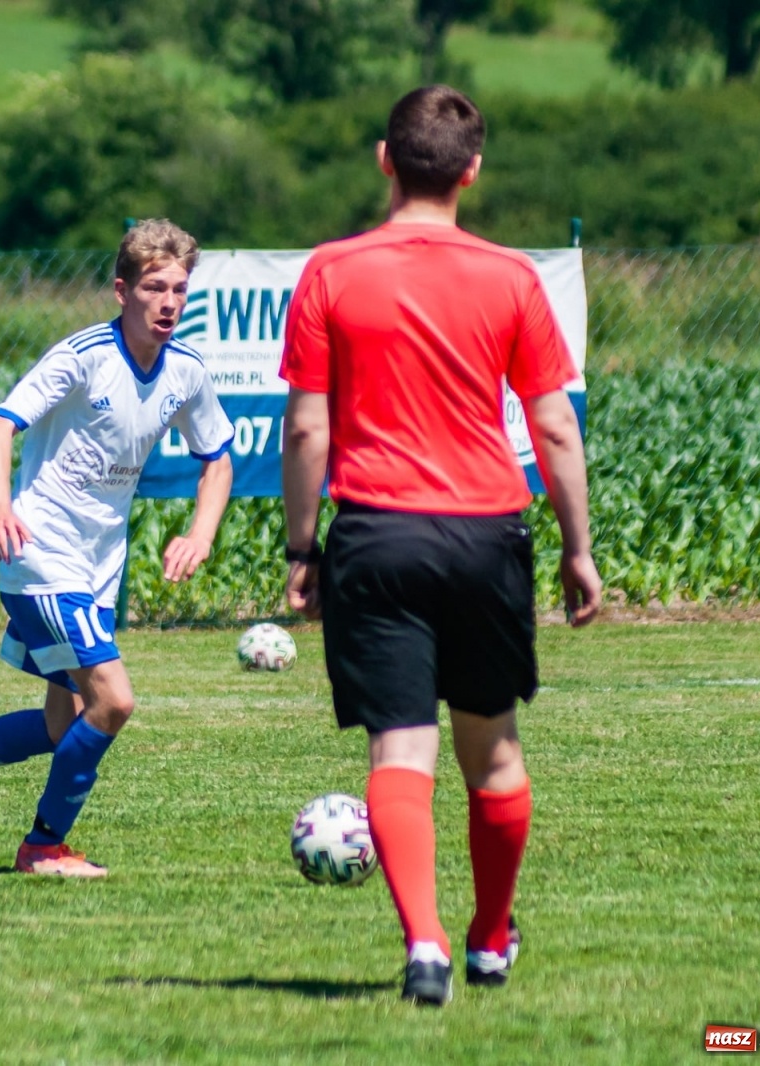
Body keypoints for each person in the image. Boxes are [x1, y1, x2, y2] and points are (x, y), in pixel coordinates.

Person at [279, 85, 602, 1006]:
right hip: (487, 534)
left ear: (385, 160)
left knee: (400, 753)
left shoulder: (333, 270)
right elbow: (554, 428)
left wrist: (304, 549)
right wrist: (578, 548)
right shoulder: (510, 277)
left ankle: (423, 946)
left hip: (377, 535)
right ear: (472, 171)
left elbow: (306, 429)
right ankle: (490, 937)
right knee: (493, 755)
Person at [0, 219, 234, 878]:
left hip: (97, 568)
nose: (169, 303)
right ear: (121, 290)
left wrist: (201, 532)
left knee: (62, 724)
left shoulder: (186, 372)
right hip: (41, 555)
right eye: (155, 287)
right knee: (115, 702)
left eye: (180, 291)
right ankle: (44, 845)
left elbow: (217, 458)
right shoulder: (81, 357)